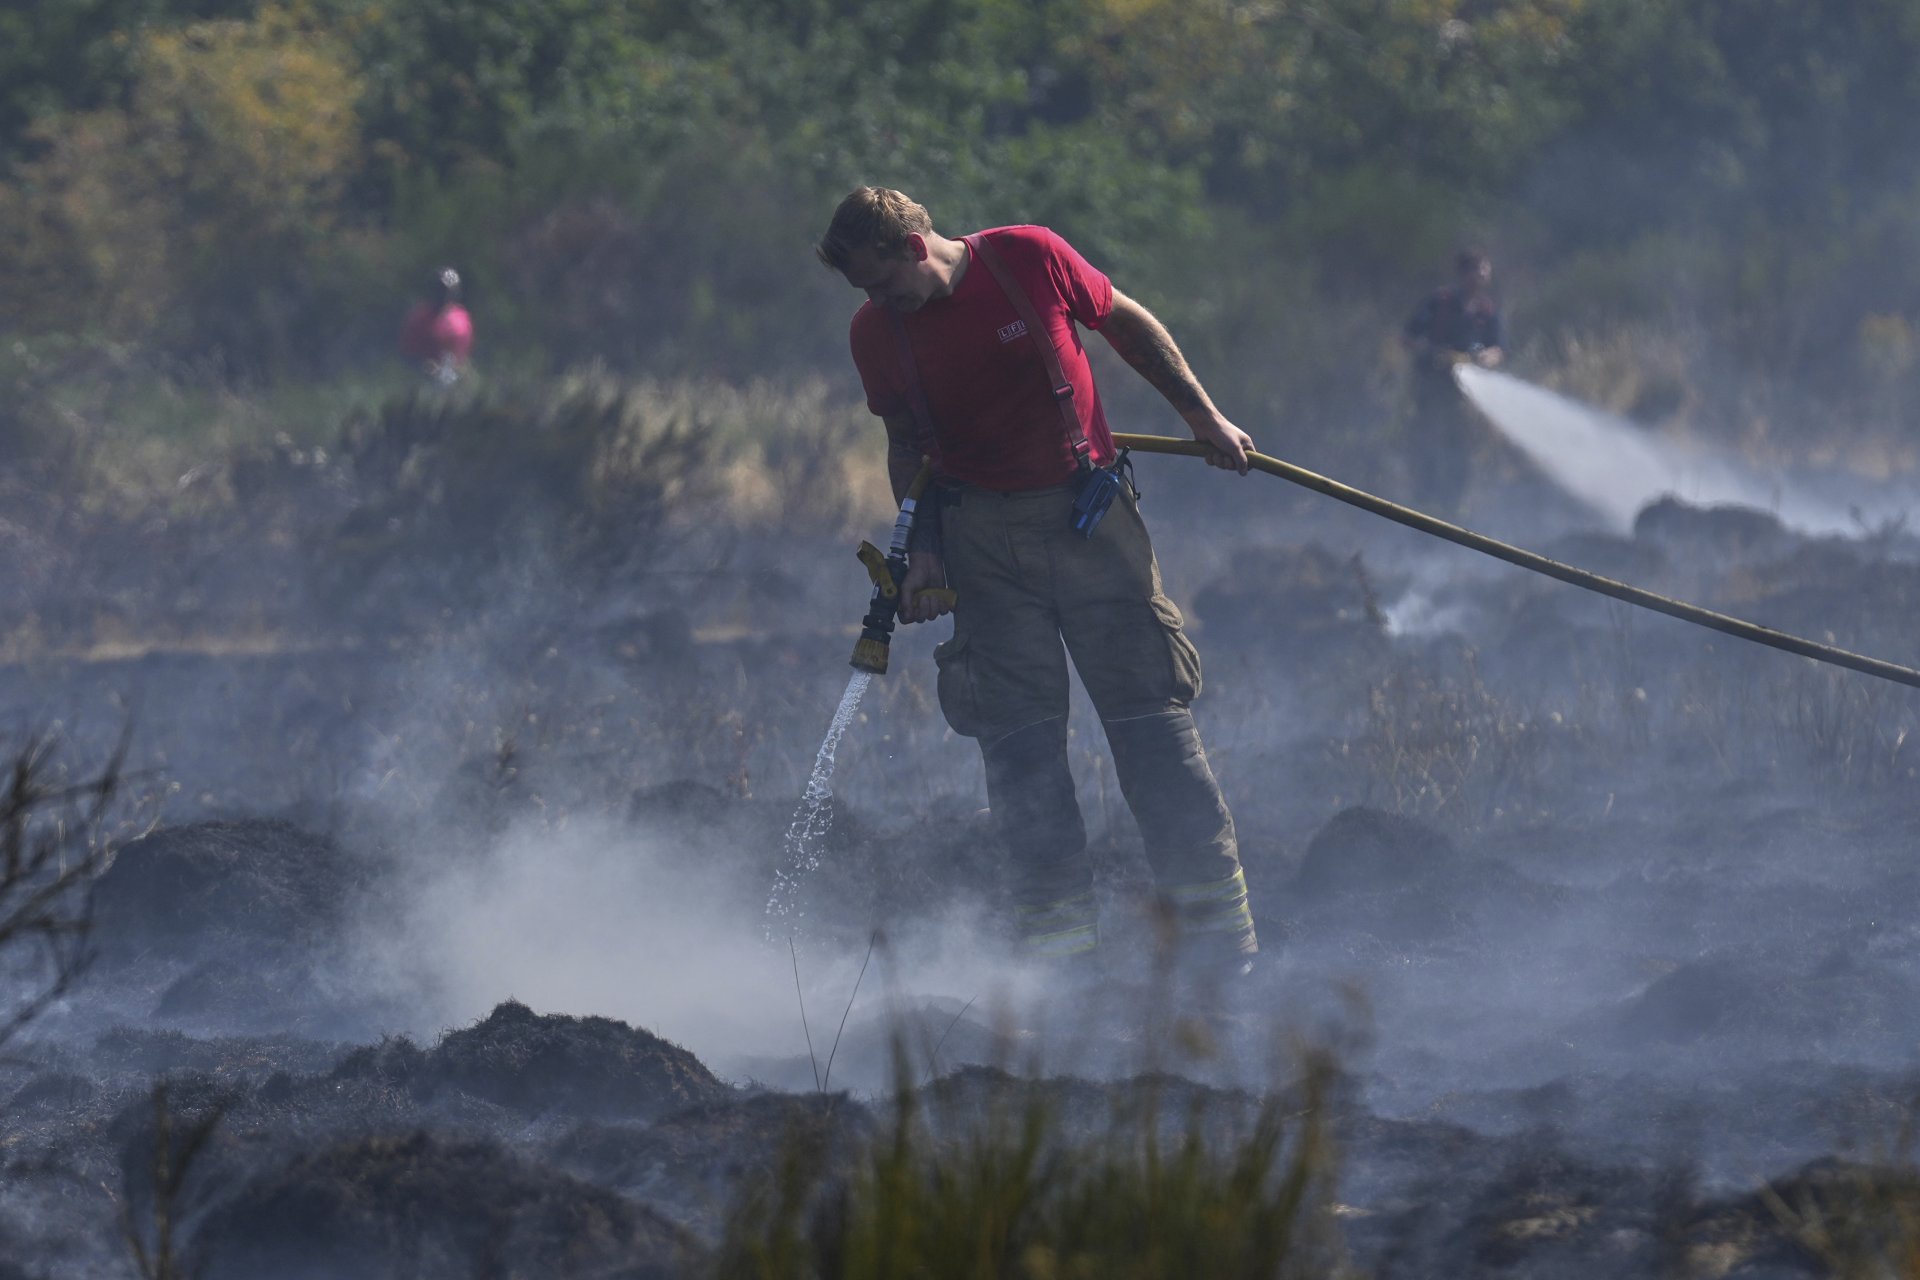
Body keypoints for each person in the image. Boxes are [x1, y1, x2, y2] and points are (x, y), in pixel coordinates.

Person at [816, 186, 1258, 973]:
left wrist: (1202, 416)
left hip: (1089, 522)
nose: (879, 302)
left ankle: (1224, 958)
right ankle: (1064, 978)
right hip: (981, 544)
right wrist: (921, 552)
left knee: (1155, 738)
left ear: (916, 247)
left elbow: (1126, 321)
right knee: (1022, 763)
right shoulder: (875, 333)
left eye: (883, 283)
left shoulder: (1028, 256)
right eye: (865, 293)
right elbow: (904, 443)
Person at [1401, 249, 1505, 520]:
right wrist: (1434, 354)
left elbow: (1498, 348)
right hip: (1432, 388)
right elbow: (1408, 337)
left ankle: (1453, 508)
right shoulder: (1440, 302)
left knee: (1461, 448)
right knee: (1427, 444)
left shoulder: (1487, 310)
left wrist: (1484, 358)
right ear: (1464, 273)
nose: (1482, 275)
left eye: (1485, 270)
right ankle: (1423, 506)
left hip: (1465, 395)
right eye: (1477, 269)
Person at [399, 268, 474, 385]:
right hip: (421, 377)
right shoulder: (419, 317)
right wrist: (425, 366)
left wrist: (460, 369)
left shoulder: (462, 319)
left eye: (449, 290)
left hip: (453, 376)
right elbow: (407, 352)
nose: (444, 294)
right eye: (441, 289)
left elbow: (463, 353)